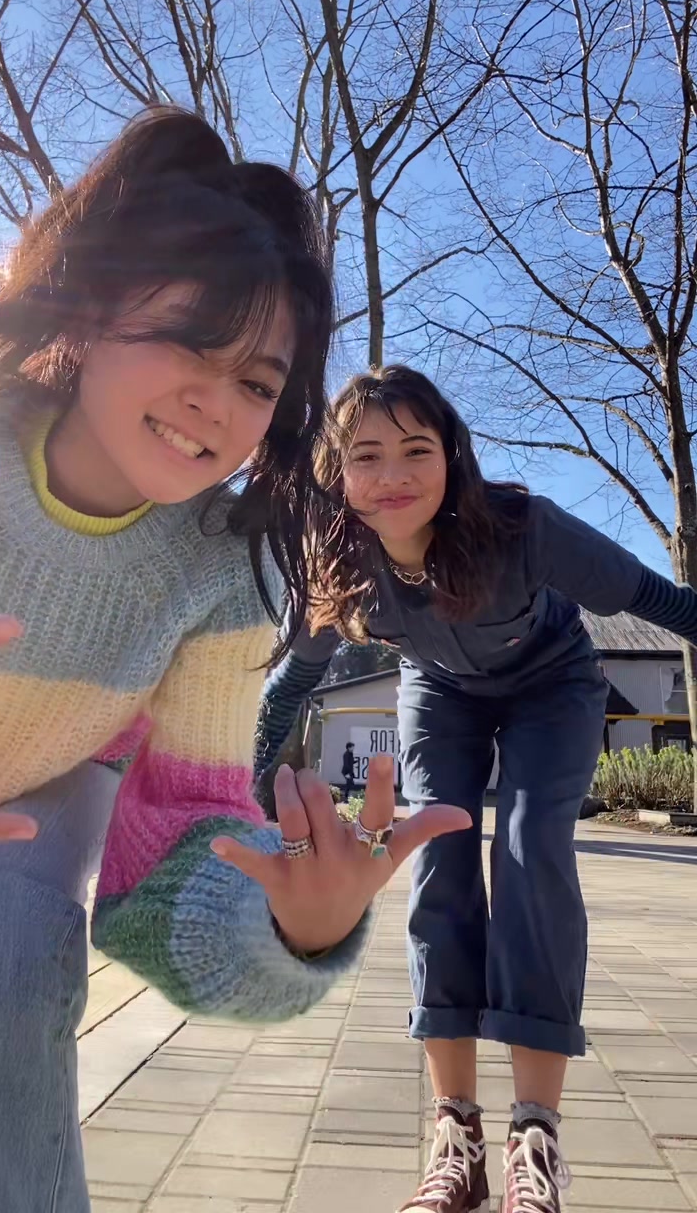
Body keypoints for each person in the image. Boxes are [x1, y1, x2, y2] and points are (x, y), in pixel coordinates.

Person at [0, 120, 468, 1213]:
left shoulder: (219, 570)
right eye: (186, 341)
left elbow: (173, 851)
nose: (215, 402)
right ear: (92, 314)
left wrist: (296, 921)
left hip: (23, 813)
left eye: (255, 380)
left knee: (1, 951)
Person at [254, 364, 697, 1213]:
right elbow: (288, 688)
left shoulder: (525, 529)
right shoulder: (338, 564)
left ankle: (537, 1135)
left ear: (452, 456)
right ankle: (455, 1133)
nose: (392, 476)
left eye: (415, 450)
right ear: (337, 474)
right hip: (440, 691)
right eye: (366, 456)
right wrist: (238, 788)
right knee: (436, 854)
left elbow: (658, 598)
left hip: (552, 684)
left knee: (530, 849)